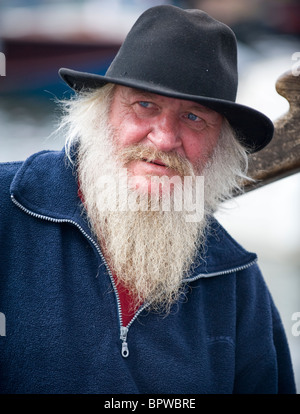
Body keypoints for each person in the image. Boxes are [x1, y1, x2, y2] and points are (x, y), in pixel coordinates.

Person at [0, 5, 296, 394]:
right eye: (145, 105)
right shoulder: (7, 211)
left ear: (219, 146)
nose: (165, 139)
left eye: (194, 118)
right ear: (102, 111)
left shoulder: (236, 281)